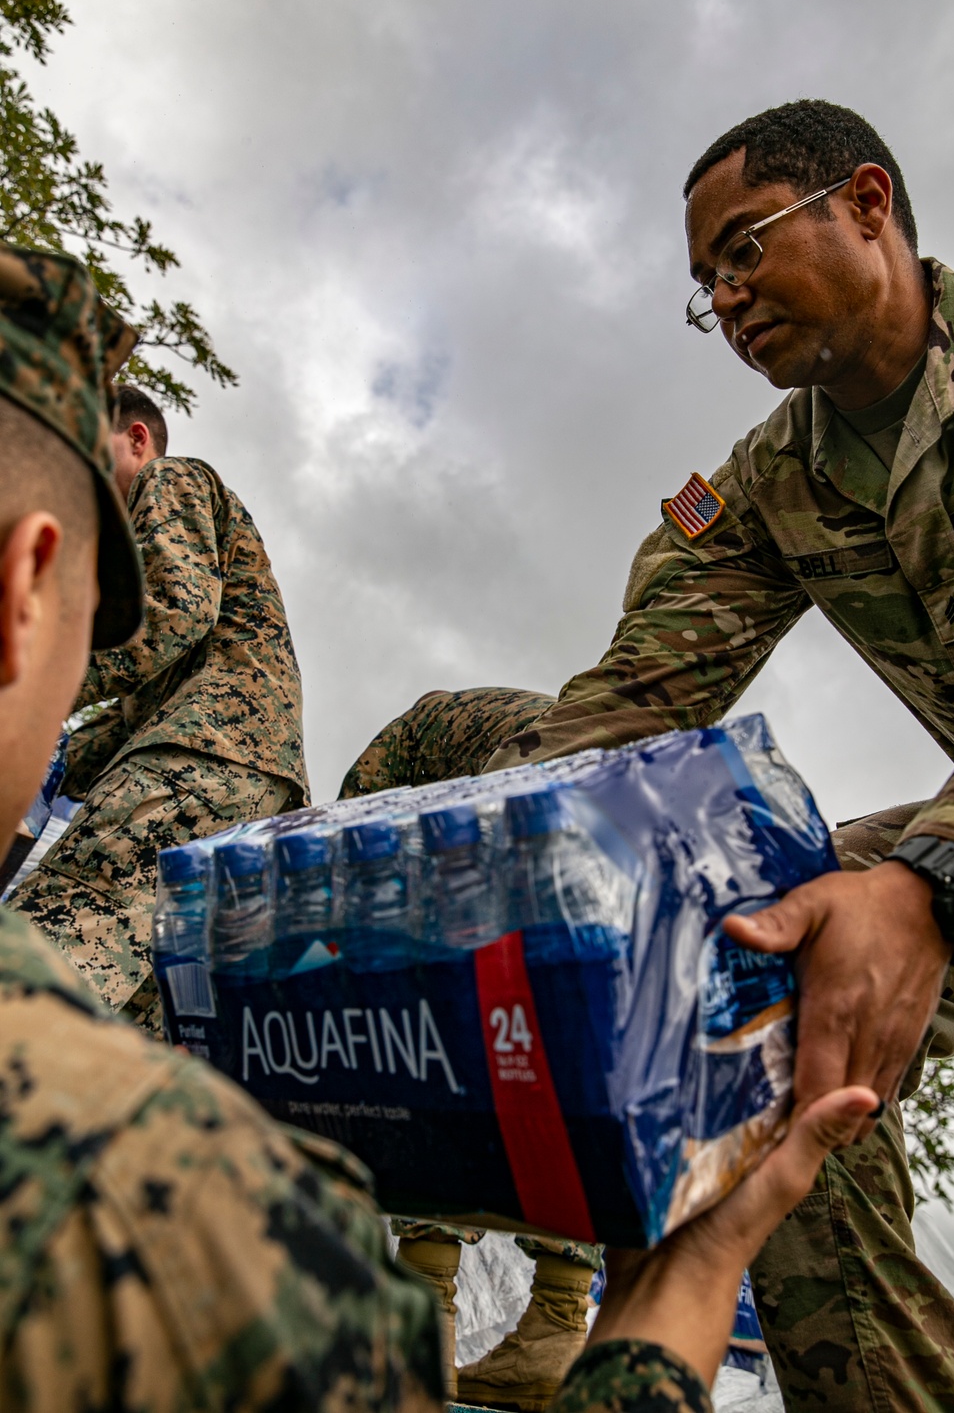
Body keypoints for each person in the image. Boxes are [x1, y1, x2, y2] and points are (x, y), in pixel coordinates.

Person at [0, 240, 877, 1411]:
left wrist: (63, 704)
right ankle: (481, 1287)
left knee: (460, 991)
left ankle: (535, 1300)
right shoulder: (409, 791)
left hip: (223, 776)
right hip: (300, 796)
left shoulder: (174, 487)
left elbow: (164, 620)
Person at [344, 100, 954, 1413]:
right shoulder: (768, 484)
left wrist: (940, 875)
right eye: (707, 283)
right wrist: (507, 860)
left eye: (744, 249)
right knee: (755, 966)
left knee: (848, 916)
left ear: (867, 204)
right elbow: (629, 704)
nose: (725, 295)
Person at [5, 382, 309, 1032]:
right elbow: (116, 725)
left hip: (196, 765)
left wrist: (28, 684)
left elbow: (173, 608)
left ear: (136, 439)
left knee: (48, 946)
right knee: (135, 1020)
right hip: (239, 787)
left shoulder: (171, 478)